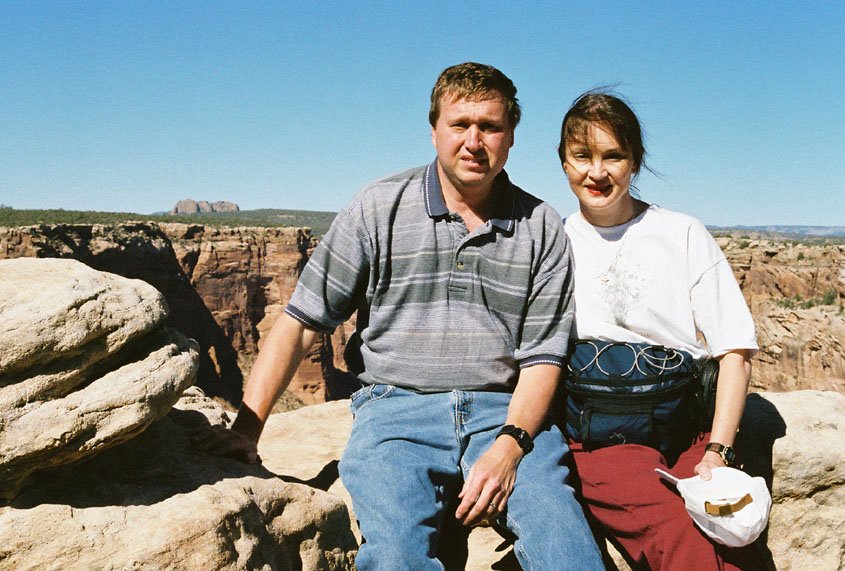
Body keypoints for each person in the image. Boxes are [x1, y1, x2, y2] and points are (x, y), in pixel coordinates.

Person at [195, 62, 603, 570]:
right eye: (460, 124)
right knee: (394, 558)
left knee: (566, 548)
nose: (474, 141)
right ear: (434, 129)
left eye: (490, 127)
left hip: (505, 412)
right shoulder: (379, 206)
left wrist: (510, 447)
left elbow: (544, 359)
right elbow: (300, 323)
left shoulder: (540, 226)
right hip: (395, 411)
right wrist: (247, 430)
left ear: (511, 136)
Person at [557, 90, 765, 569]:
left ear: (635, 161)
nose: (597, 172)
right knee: (677, 535)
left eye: (614, 156)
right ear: (563, 161)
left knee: (730, 536)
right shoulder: (554, 241)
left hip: (685, 430)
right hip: (602, 441)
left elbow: (735, 350)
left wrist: (717, 450)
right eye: (582, 156)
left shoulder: (682, 233)